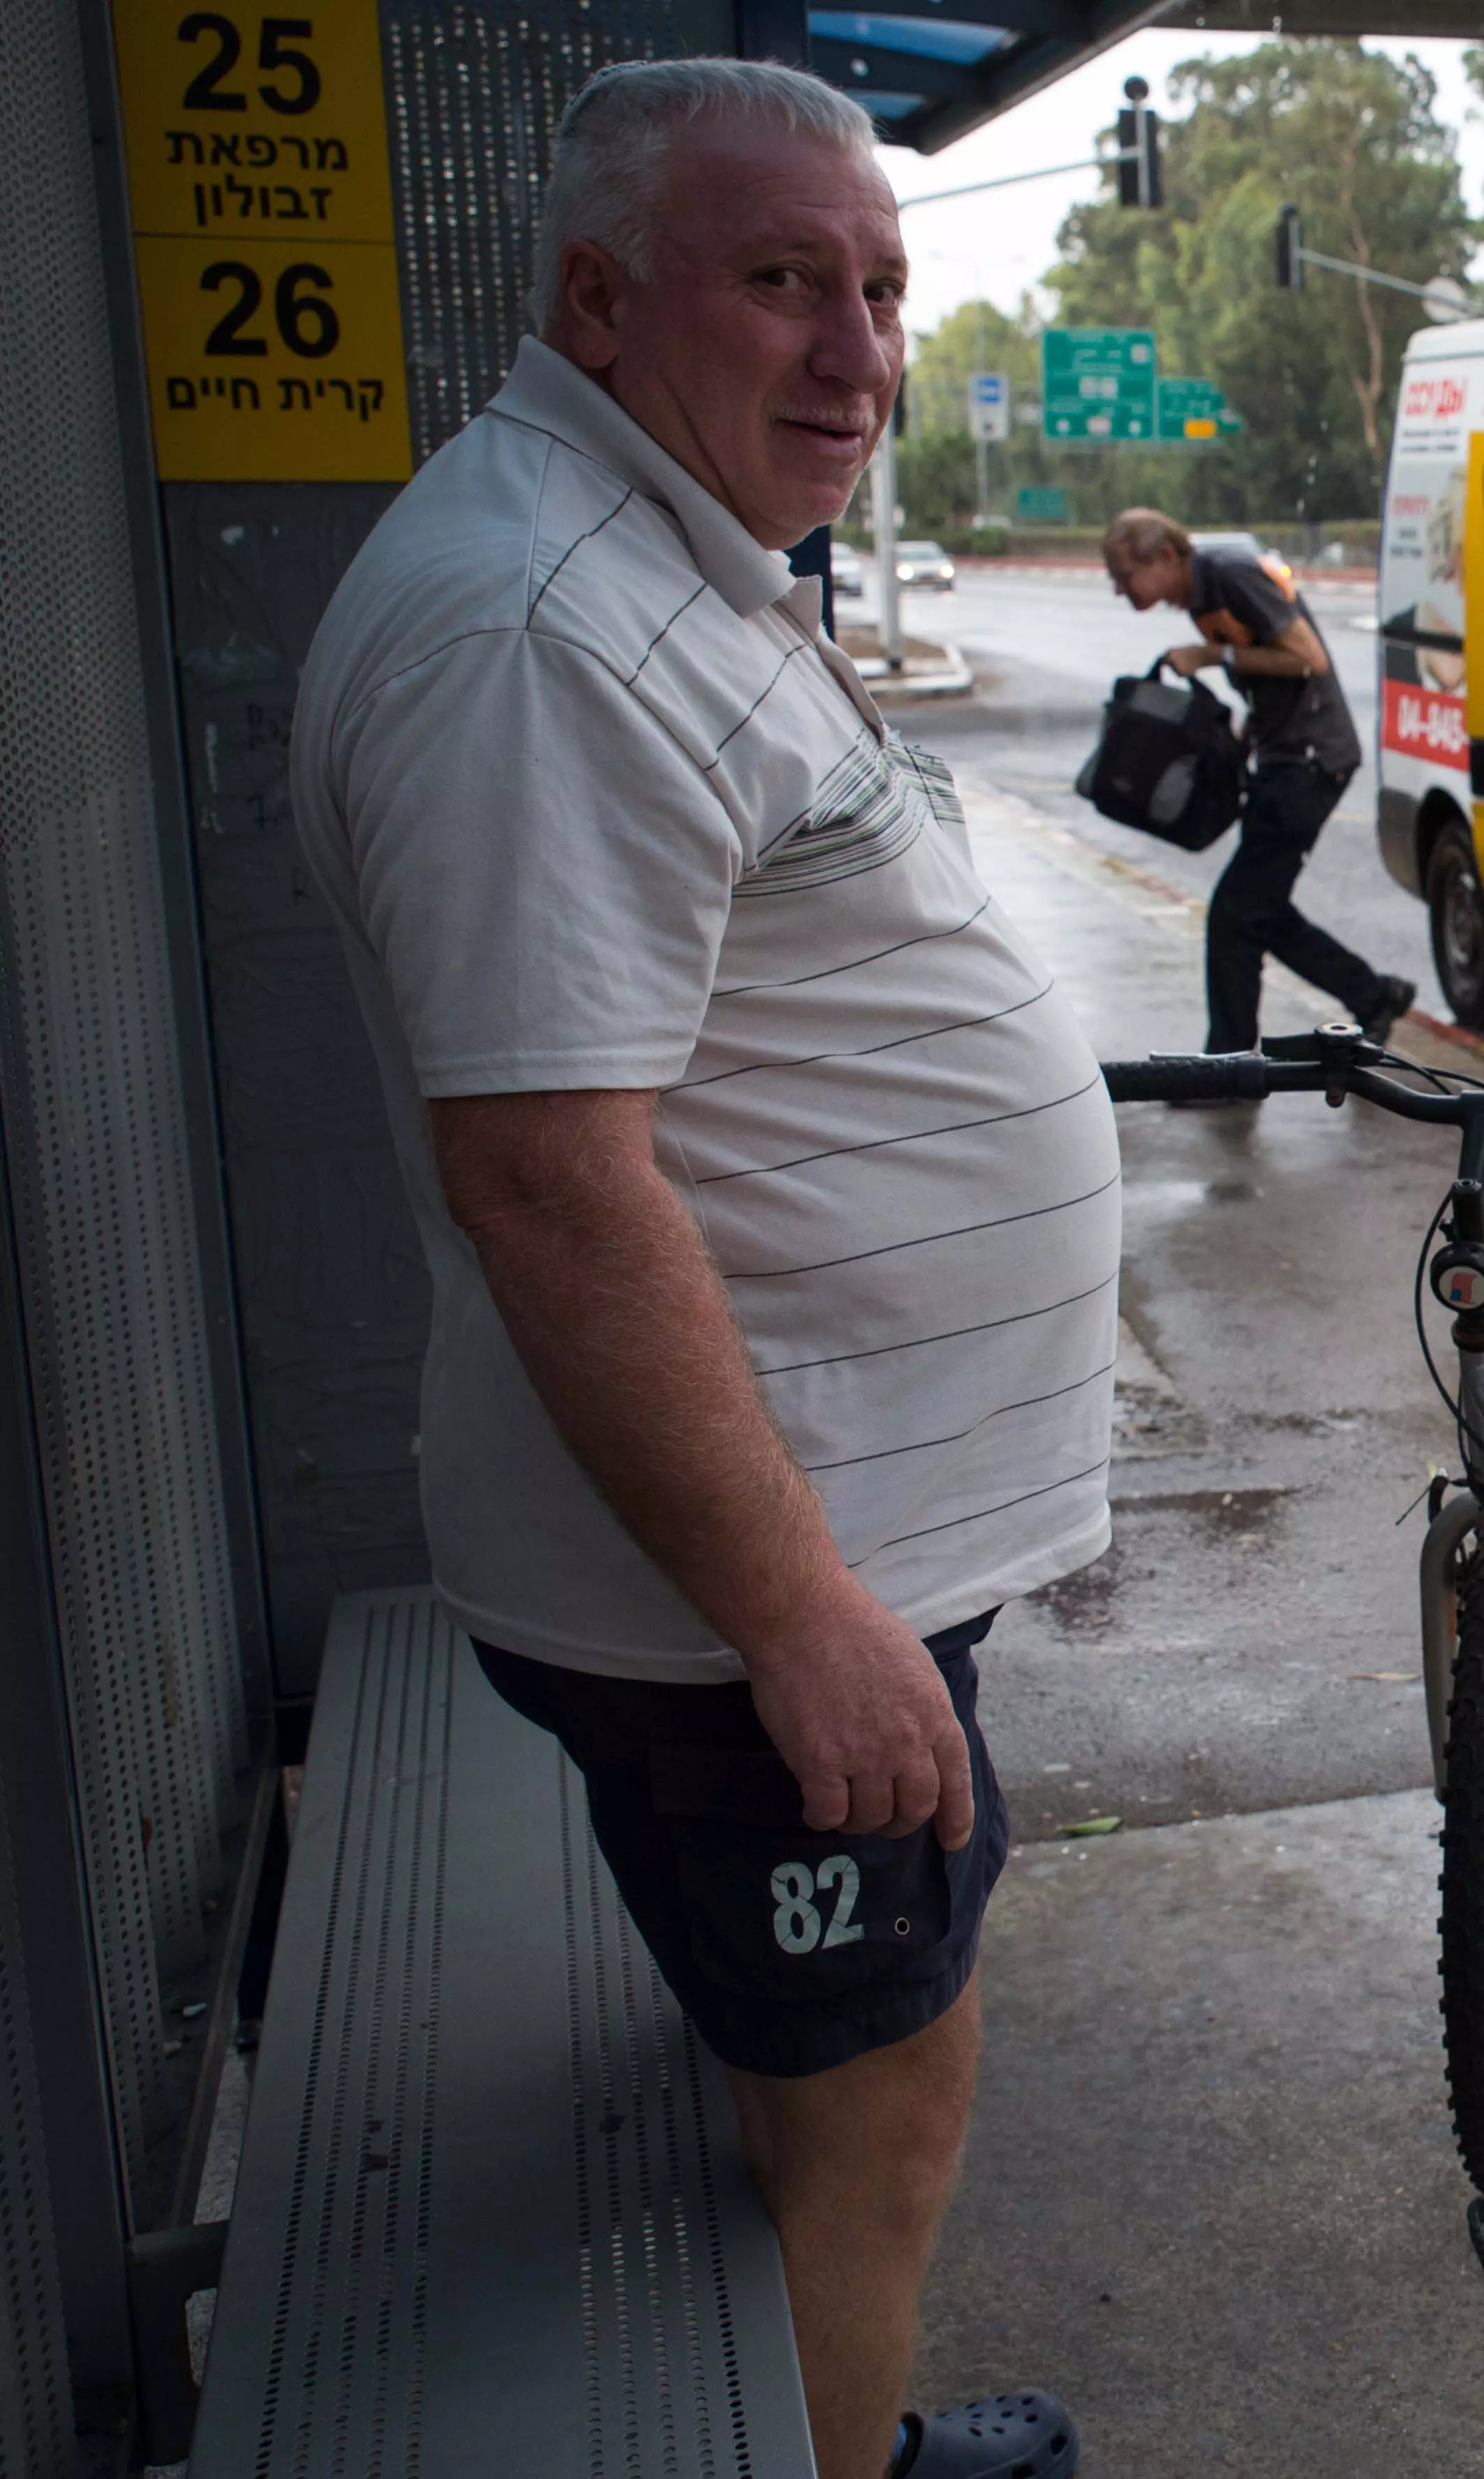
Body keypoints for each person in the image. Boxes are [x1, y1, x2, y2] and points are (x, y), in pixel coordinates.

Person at [288, 59, 1101, 2479]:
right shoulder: (544, 623)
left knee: (828, 2063)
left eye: (879, 288)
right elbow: (546, 1179)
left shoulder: (639, 554)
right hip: (745, 1595)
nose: (856, 349)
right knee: (881, 2110)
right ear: (598, 304)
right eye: (783, 284)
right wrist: (804, 1620)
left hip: (791, 1550)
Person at [1101, 508, 1413, 1063]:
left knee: (1236, 916)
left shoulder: (1228, 573)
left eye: (1126, 575)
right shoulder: (1201, 594)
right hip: (1284, 759)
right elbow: (1269, 681)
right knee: (1256, 909)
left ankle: (1229, 1066)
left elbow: (1308, 657)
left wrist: (1214, 654)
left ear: (1166, 556)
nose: (1120, 591)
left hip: (1312, 761)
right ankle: (1374, 995)